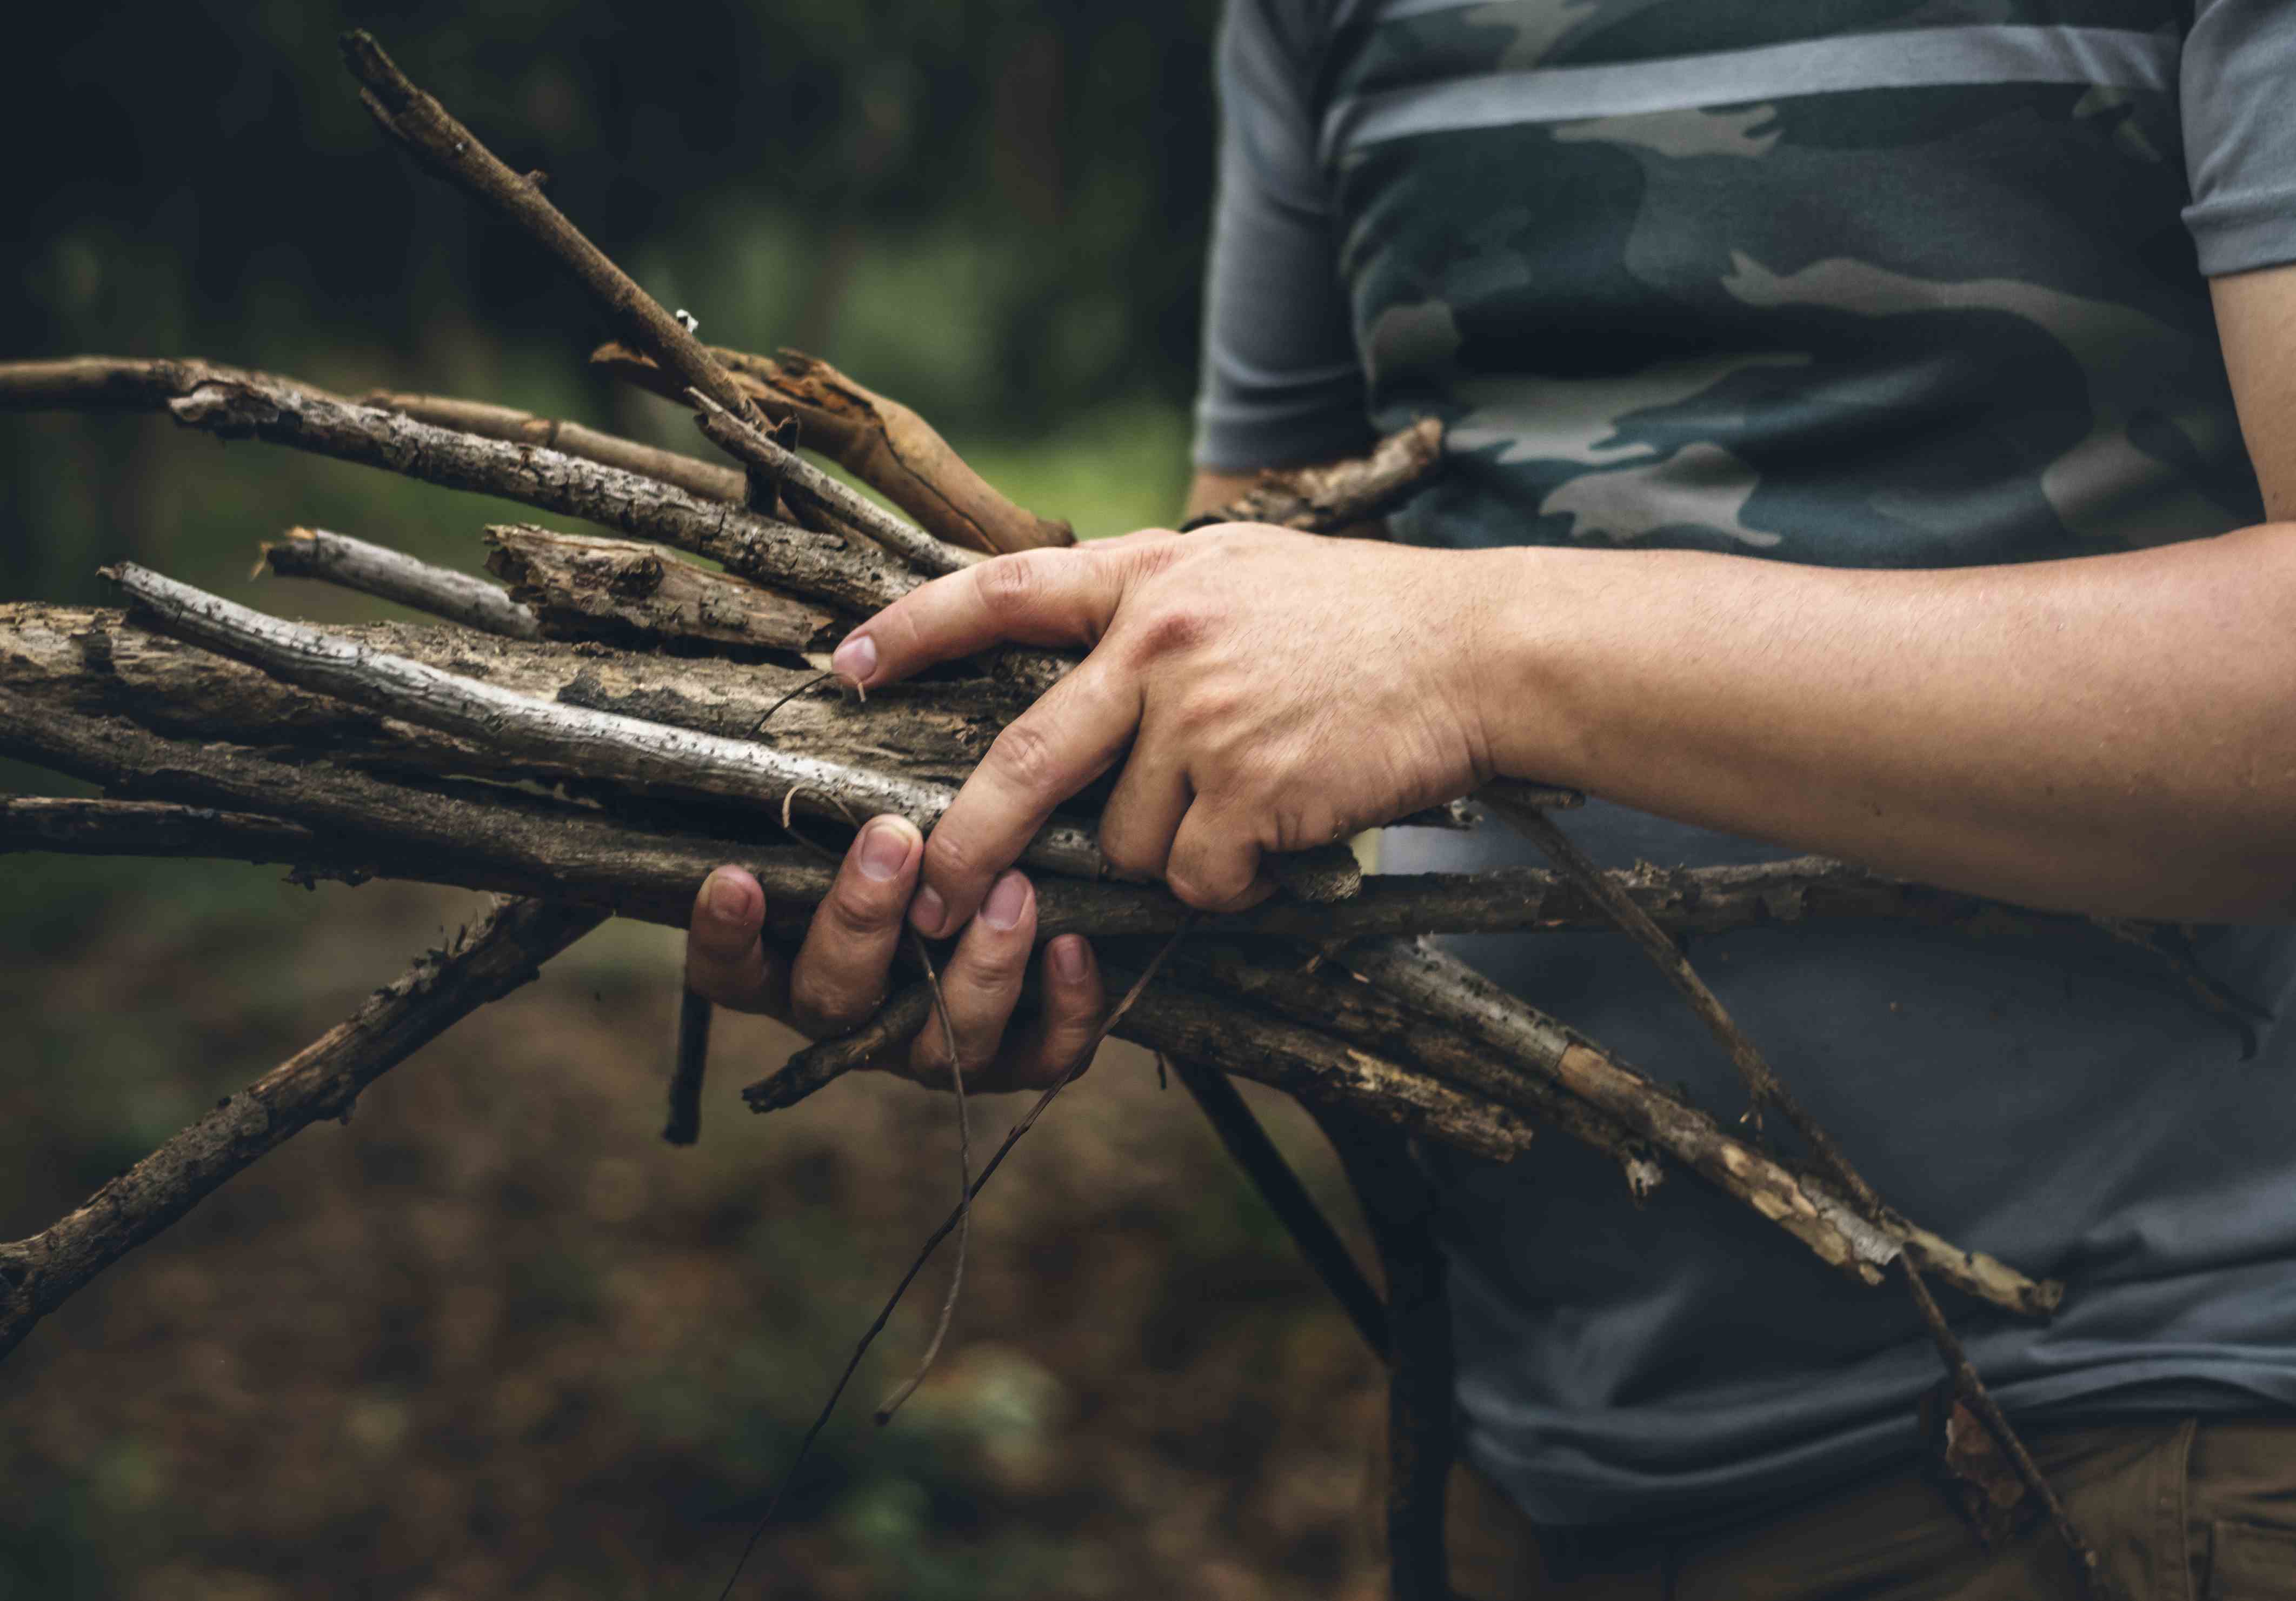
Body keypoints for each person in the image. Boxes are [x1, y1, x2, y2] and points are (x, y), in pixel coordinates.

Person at [687, 3, 2296, 1593]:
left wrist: (1478, 651)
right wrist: (976, 877)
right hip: (1522, 1468)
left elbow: (1407, 645)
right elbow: (1271, 647)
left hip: (2143, 1443)